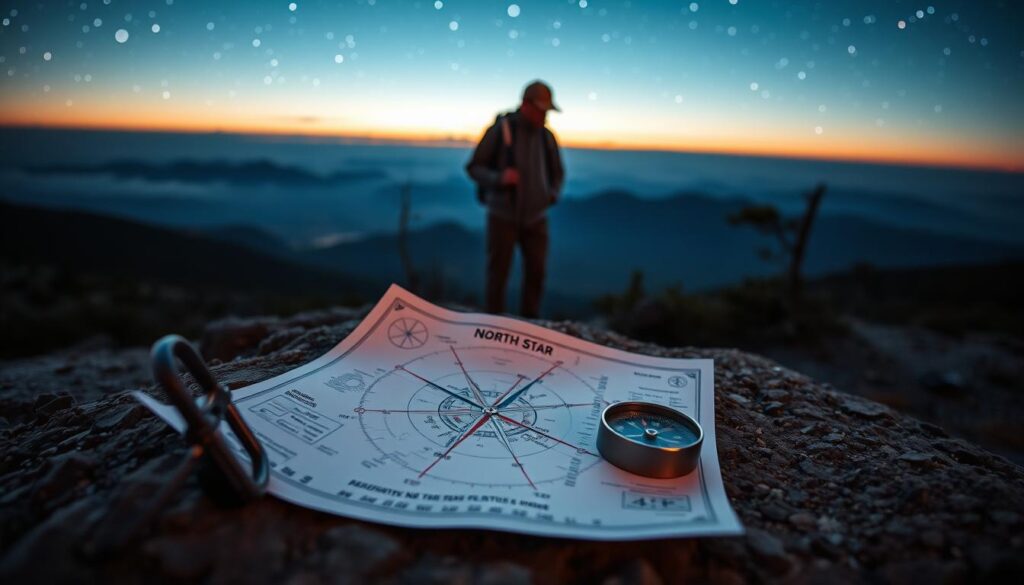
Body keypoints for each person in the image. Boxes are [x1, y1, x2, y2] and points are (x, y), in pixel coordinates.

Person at [466, 80, 565, 318]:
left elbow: (558, 172)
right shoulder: (501, 130)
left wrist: (551, 195)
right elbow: (474, 167)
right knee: (498, 274)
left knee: (537, 273)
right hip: (503, 215)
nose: (544, 115)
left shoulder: (547, 137)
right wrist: (501, 178)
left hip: (536, 218)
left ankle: (529, 326)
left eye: (546, 110)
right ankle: (493, 325)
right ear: (525, 104)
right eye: (541, 109)